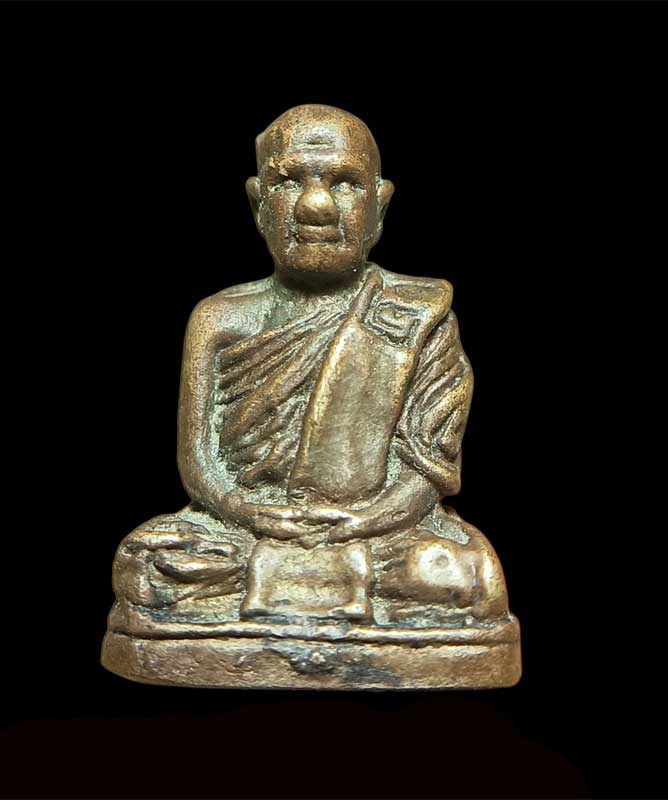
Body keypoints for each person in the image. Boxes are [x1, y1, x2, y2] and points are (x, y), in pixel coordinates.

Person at [111, 104, 508, 626]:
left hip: (380, 532)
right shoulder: (220, 319)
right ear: (258, 204)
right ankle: (322, 586)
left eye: (344, 184)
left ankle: (302, 583)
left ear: (380, 205)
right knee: (149, 564)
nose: (316, 206)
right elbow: (199, 465)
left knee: (459, 573)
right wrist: (252, 513)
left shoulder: (416, 312)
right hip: (249, 528)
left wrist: (363, 522)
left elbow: (424, 472)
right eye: (289, 181)